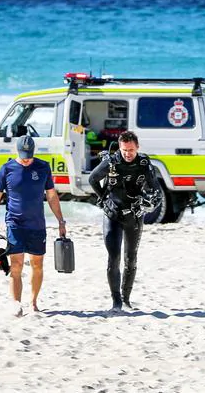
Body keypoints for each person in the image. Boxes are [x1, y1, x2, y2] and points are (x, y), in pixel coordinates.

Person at [0, 135, 67, 316]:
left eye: (29, 155)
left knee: (37, 264)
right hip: (14, 223)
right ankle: (16, 303)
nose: (26, 158)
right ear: (17, 151)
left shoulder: (43, 167)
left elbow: (52, 196)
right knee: (16, 265)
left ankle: (33, 301)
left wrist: (61, 220)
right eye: (23, 155)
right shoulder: (6, 169)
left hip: (37, 224)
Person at [89, 131, 161, 311]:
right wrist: (103, 198)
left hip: (134, 215)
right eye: (124, 150)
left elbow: (156, 190)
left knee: (131, 258)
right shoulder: (111, 162)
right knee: (114, 258)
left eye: (131, 150)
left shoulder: (144, 164)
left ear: (137, 147)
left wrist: (150, 201)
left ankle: (126, 298)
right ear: (119, 148)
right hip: (113, 214)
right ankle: (116, 301)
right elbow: (92, 179)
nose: (127, 154)